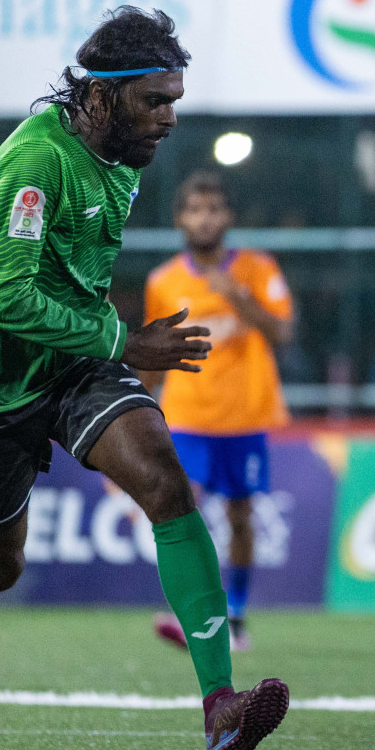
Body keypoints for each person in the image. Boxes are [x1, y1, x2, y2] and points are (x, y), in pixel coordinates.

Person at [0, 7, 290, 750]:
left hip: (77, 366)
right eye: (154, 101)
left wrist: (109, 348)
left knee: (166, 482)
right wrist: (125, 338)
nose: (168, 118)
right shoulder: (34, 165)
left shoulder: (124, 157)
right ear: (100, 95)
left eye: (175, 100)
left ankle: (219, 704)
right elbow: (2, 298)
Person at [145, 170, 293, 654]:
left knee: (241, 517)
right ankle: (194, 609)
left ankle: (237, 615)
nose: (204, 218)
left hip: (244, 415)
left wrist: (238, 298)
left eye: (213, 209)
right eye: (194, 209)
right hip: (187, 414)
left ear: (227, 217)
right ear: (179, 219)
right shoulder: (163, 282)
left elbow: (281, 333)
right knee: (182, 509)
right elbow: (151, 355)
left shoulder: (257, 269)